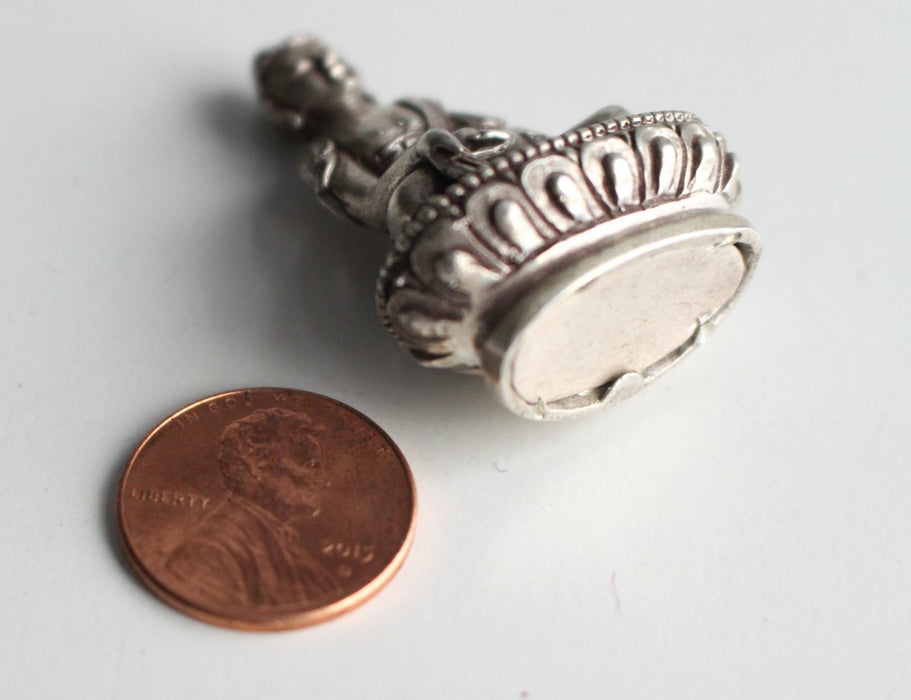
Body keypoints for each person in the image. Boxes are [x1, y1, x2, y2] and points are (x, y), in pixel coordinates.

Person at [164, 408, 340, 608]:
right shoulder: (210, 552)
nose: (323, 479)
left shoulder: (283, 542)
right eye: (309, 464)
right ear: (257, 466)